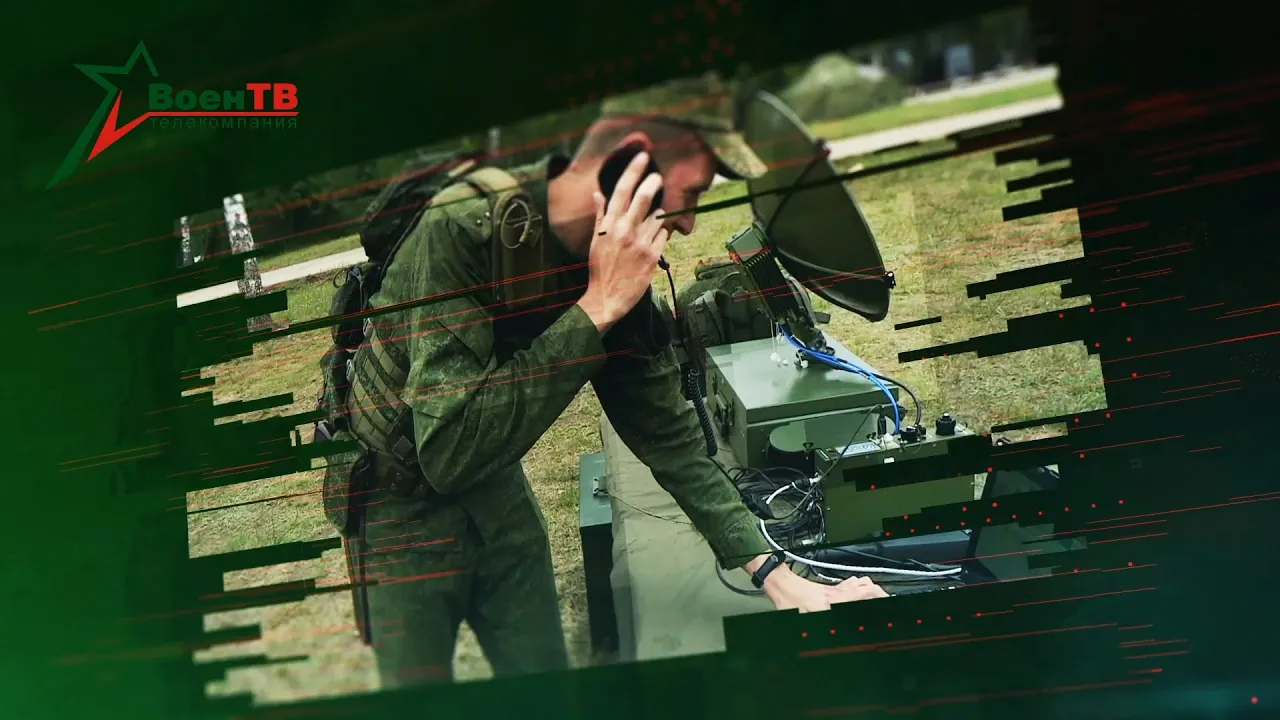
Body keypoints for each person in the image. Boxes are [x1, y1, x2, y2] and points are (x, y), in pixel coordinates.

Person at [344, 73, 888, 688]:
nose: (688, 224)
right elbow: (447, 452)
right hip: (395, 511)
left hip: (498, 495)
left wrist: (783, 582)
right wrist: (596, 309)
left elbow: (674, 445)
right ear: (632, 160)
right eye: (692, 192)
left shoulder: (615, 276)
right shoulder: (462, 229)